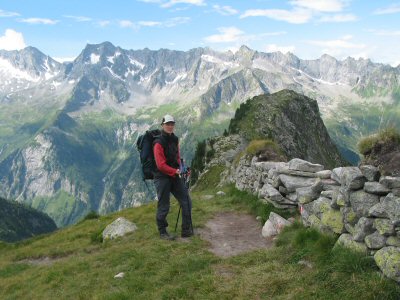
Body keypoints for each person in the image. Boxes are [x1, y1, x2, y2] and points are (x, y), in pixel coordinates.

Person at [153, 114, 193, 240]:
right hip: (162, 177)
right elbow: (160, 165)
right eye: (167, 124)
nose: (170, 126)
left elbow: (177, 157)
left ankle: (186, 230)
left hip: (174, 175)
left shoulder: (175, 139)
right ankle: (163, 232)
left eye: (172, 124)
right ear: (162, 125)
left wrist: (183, 169)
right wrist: (175, 171)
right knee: (164, 205)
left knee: (186, 200)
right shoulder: (158, 143)